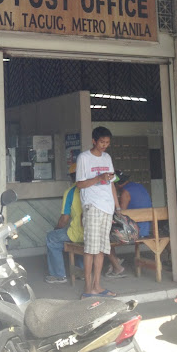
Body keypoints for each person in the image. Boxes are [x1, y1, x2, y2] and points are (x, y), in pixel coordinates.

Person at [76, 126, 122, 298]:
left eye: (107, 142)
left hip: (107, 207)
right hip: (92, 206)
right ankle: (88, 288)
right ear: (94, 141)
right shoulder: (84, 158)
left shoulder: (107, 157)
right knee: (91, 249)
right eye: (102, 142)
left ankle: (98, 286)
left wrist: (117, 207)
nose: (104, 145)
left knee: (102, 249)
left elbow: (111, 183)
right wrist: (98, 178)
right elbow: (79, 184)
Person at [45, 163, 84, 284]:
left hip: (78, 233)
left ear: (72, 177)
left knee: (52, 238)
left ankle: (58, 275)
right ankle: (82, 271)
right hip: (94, 232)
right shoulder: (94, 189)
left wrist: (56, 229)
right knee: (80, 242)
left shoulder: (71, 192)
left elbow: (64, 219)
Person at [116, 172, 153, 238]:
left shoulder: (125, 192)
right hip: (146, 228)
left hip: (136, 230)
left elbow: (121, 212)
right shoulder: (140, 186)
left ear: (118, 184)